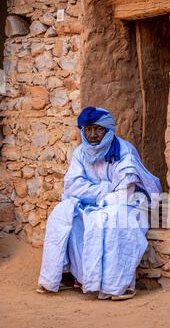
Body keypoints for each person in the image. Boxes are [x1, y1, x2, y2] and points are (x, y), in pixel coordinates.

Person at [37, 106, 162, 300]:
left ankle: (118, 285)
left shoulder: (124, 151)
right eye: (88, 130)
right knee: (63, 213)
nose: (93, 135)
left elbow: (124, 192)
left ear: (108, 130)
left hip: (128, 206)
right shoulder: (80, 153)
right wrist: (105, 189)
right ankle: (79, 277)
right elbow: (73, 187)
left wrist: (97, 196)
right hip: (93, 203)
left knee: (110, 220)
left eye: (98, 129)